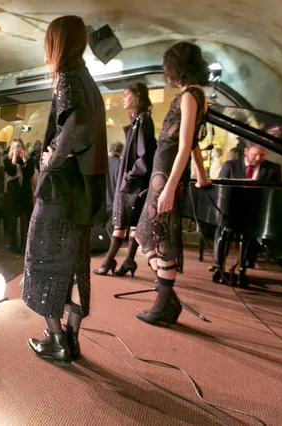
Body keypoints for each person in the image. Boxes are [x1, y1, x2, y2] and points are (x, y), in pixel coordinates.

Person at [25, 15, 108, 366]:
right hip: (81, 194)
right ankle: (71, 340)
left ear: (57, 43)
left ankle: (56, 341)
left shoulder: (67, 78)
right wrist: (65, 148)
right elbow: (83, 126)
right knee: (74, 266)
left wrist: (51, 158)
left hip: (60, 193)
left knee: (41, 263)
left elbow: (75, 125)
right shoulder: (87, 78)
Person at [134, 42, 212, 326]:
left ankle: (164, 303)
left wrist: (168, 188)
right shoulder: (196, 94)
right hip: (164, 172)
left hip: (165, 175)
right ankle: (167, 299)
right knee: (145, 234)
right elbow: (192, 143)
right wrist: (201, 175)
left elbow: (183, 147)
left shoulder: (190, 96)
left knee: (159, 236)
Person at [95, 83, 157, 277]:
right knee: (129, 223)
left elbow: (144, 156)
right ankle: (126, 260)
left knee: (123, 222)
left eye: (126, 94)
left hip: (134, 184)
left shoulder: (143, 120)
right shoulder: (139, 120)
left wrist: (129, 178)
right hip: (133, 183)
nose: (123, 99)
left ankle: (109, 261)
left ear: (136, 96)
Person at [211, 142, 282, 274]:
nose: (258, 158)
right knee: (221, 229)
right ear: (245, 152)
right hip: (231, 210)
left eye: (262, 155)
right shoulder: (230, 166)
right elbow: (220, 190)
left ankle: (245, 265)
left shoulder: (273, 169)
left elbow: (277, 193)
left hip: (257, 212)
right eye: (254, 155)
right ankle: (219, 264)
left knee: (255, 231)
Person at [4, 139, 35, 254]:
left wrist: (25, 160)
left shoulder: (28, 159)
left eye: (20, 146)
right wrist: (14, 158)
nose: (18, 148)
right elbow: (11, 172)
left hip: (25, 193)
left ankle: (24, 244)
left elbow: (29, 174)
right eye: (15, 146)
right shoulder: (6, 159)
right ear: (12, 148)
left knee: (25, 219)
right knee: (13, 219)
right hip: (13, 194)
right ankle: (13, 244)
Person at [105, 141, 124, 217]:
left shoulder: (99, 163)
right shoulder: (122, 165)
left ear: (108, 150)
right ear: (122, 152)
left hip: (99, 205)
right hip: (115, 206)